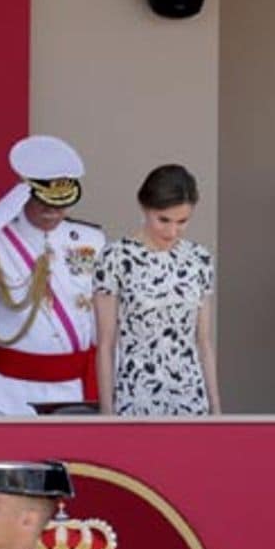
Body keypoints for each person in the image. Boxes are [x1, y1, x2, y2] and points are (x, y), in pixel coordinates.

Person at [0, 136, 105, 415]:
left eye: (61, 204)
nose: (53, 212)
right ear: (24, 193)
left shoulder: (92, 239)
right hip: (9, 392)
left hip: (73, 392)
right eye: (44, 202)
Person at [93, 163, 220, 416]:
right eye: (163, 220)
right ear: (144, 207)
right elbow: (106, 344)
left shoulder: (199, 259)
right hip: (135, 399)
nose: (172, 231)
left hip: (191, 400)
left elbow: (203, 341)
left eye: (182, 221)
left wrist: (215, 408)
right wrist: (107, 414)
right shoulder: (115, 257)